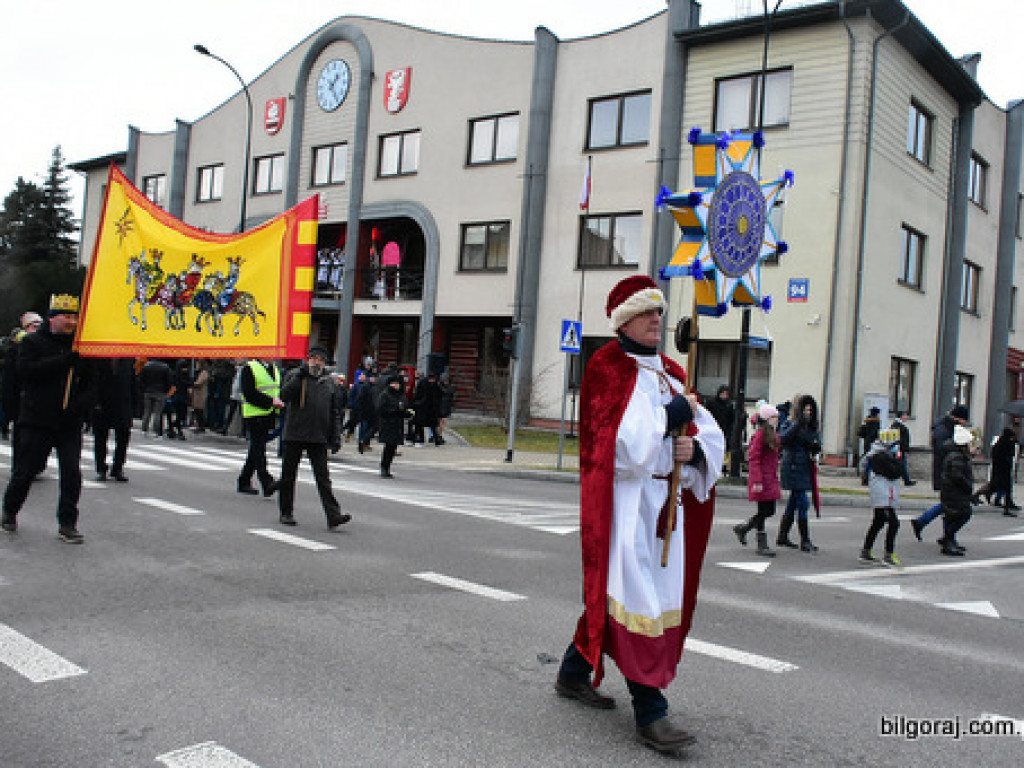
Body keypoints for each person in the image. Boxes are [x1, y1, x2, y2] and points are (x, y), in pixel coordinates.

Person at [554, 275, 724, 755]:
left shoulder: (673, 370)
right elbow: (619, 448)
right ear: (623, 320)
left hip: (667, 505)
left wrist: (695, 452)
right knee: (638, 601)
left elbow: (706, 432)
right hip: (627, 506)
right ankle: (651, 712)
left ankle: (571, 674)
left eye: (659, 311)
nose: (657, 319)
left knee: (618, 598)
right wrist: (671, 418)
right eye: (647, 312)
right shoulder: (607, 368)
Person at [2, 295, 95, 543]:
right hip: (37, 419)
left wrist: (79, 406)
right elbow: (28, 372)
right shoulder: (32, 342)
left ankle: (67, 523)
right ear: (52, 318)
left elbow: (92, 383)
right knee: (25, 471)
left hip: (68, 422)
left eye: (75, 317)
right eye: (66, 316)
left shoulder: (80, 347)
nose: (72, 322)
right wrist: (64, 361)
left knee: (72, 473)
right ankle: (9, 511)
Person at [275, 346, 350, 528]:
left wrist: (335, 436)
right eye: (313, 358)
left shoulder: (328, 382)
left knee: (323, 479)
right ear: (307, 359)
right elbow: (284, 396)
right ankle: (286, 512)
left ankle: (333, 515)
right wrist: (300, 376)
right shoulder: (295, 376)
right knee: (288, 476)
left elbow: (334, 411)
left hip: (318, 435)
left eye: (320, 359)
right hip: (295, 433)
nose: (316, 362)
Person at [910, 405, 970, 542]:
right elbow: (944, 451)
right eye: (963, 420)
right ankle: (945, 535)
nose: (964, 423)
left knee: (948, 505)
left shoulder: (946, 426)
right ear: (958, 418)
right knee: (950, 505)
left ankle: (940, 531)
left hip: (946, 472)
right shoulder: (944, 430)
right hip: (947, 473)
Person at [734, 402, 780, 557]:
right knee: (764, 510)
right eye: (774, 417)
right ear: (767, 418)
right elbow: (754, 458)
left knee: (770, 510)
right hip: (762, 478)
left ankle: (744, 528)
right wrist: (757, 481)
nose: (776, 420)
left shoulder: (772, 434)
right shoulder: (760, 435)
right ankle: (761, 543)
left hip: (770, 478)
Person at [777, 394, 821, 552]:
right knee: (802, 501)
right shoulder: (790, 422)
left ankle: (783, 535)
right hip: (793, 465)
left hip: (804, 466)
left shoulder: (811, 426)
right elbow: (783, 438)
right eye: (805, 410)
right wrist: (798, 425)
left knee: (794, 501)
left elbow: (815, 442)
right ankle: (805, 540)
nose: (808, 413)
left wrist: (815, 446)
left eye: (810, 410)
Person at [1, 312, 44, 470]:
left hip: (39, 401)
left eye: (40, 326)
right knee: (21, 437)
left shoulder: (44, 347)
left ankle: (36, 464)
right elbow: (9, 381)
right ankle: (19, 465)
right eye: (34, 326)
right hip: (20, 400)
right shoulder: (16, 349)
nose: (37, 329)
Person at [237, 358, 283, 496]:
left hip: (268, 413)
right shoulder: (249, 368)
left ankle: (244, 480)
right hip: (254, 413)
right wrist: (270, 402)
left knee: (255, 449)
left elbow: (275, 390)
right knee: (259, 449)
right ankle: (266, 481)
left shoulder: (274, 368)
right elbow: (249, 393)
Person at [858, 429, 903, 566]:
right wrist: (898, 459)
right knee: (893, 523)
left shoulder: (877, 454)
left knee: (878, 521)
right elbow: (895, 472)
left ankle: (866, 551)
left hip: (883, 492)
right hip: (883, 494)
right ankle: (888, 555)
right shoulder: (881, 456)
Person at [92, 357, 135, 482]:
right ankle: (101, 468)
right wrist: (94, 402)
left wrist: (134, 405)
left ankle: (118, 468)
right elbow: (92, 381)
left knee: (123, 438)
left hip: (123, 404)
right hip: (102, 404)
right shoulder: (98, 358)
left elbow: (132, 382)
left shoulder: (128, 360)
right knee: (100, 438)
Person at [937, 424, 976, 556]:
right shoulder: (957, 456)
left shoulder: (955, 454)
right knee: (964, 513)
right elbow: (957, 476)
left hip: (952, 491)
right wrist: (967, 487)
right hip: (954, 492)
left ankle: (949, 540)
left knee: (951, 516)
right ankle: (948, 539)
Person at [972, 427, 1019, 515]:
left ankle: (1007, 505)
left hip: (1000, 470)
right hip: (1002, 470)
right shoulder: (1004, 445)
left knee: (1000, 487)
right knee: (996, 487)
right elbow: (1007, 457)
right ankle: (977, 495)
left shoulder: (1001, 444)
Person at [377, 372, 414, 478]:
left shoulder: (401, 395)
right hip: (388, 423)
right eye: (393, 383)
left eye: (397, 383)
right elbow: (381, 409)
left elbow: (404, 407)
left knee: (393, 447)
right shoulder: (385, 395)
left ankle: (387, 467)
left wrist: (407, 413)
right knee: (388, 446)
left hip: (398, 424)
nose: (396, 385)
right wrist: (395, 409)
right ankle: (384, 467)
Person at [138, 357, 172, 436]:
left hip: (148, 391)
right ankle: (156, 430)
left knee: (147, 411)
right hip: (160, 392)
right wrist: (166, 391)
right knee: (158, 412)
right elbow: (169, 381)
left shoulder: (146, 366)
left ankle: (144, 429)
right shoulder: (165, 367)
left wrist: (144, 389)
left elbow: (141, 380)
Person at [412, 371, 443, 446]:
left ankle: (435, 439)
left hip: (431, 408)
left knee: (432, 425)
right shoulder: (423, 384)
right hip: (423, 407)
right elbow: (417, 395)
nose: (432, 381)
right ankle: (421, 439)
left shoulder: (436, 385)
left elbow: (440, 395)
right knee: (420, 424)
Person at [890, 411, 915, 486]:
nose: (906, 417)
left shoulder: (898, 425)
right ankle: (906, 480)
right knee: (901, 464)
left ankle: (906, 480)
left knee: (901, 464)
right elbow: (899, 438)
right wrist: (900, 447)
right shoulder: (898, 425)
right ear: (901, 416)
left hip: (900, 448)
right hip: (899, 448)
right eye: (905, 415)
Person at [191, 361, 210, 433]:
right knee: (197, 410)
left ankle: (201, 426)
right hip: (197, 393)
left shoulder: (204, 373)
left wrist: (192, 384)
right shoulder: (199, 373)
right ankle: (199, 425)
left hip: (201, 394)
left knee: (200, 411)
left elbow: (199, 382)